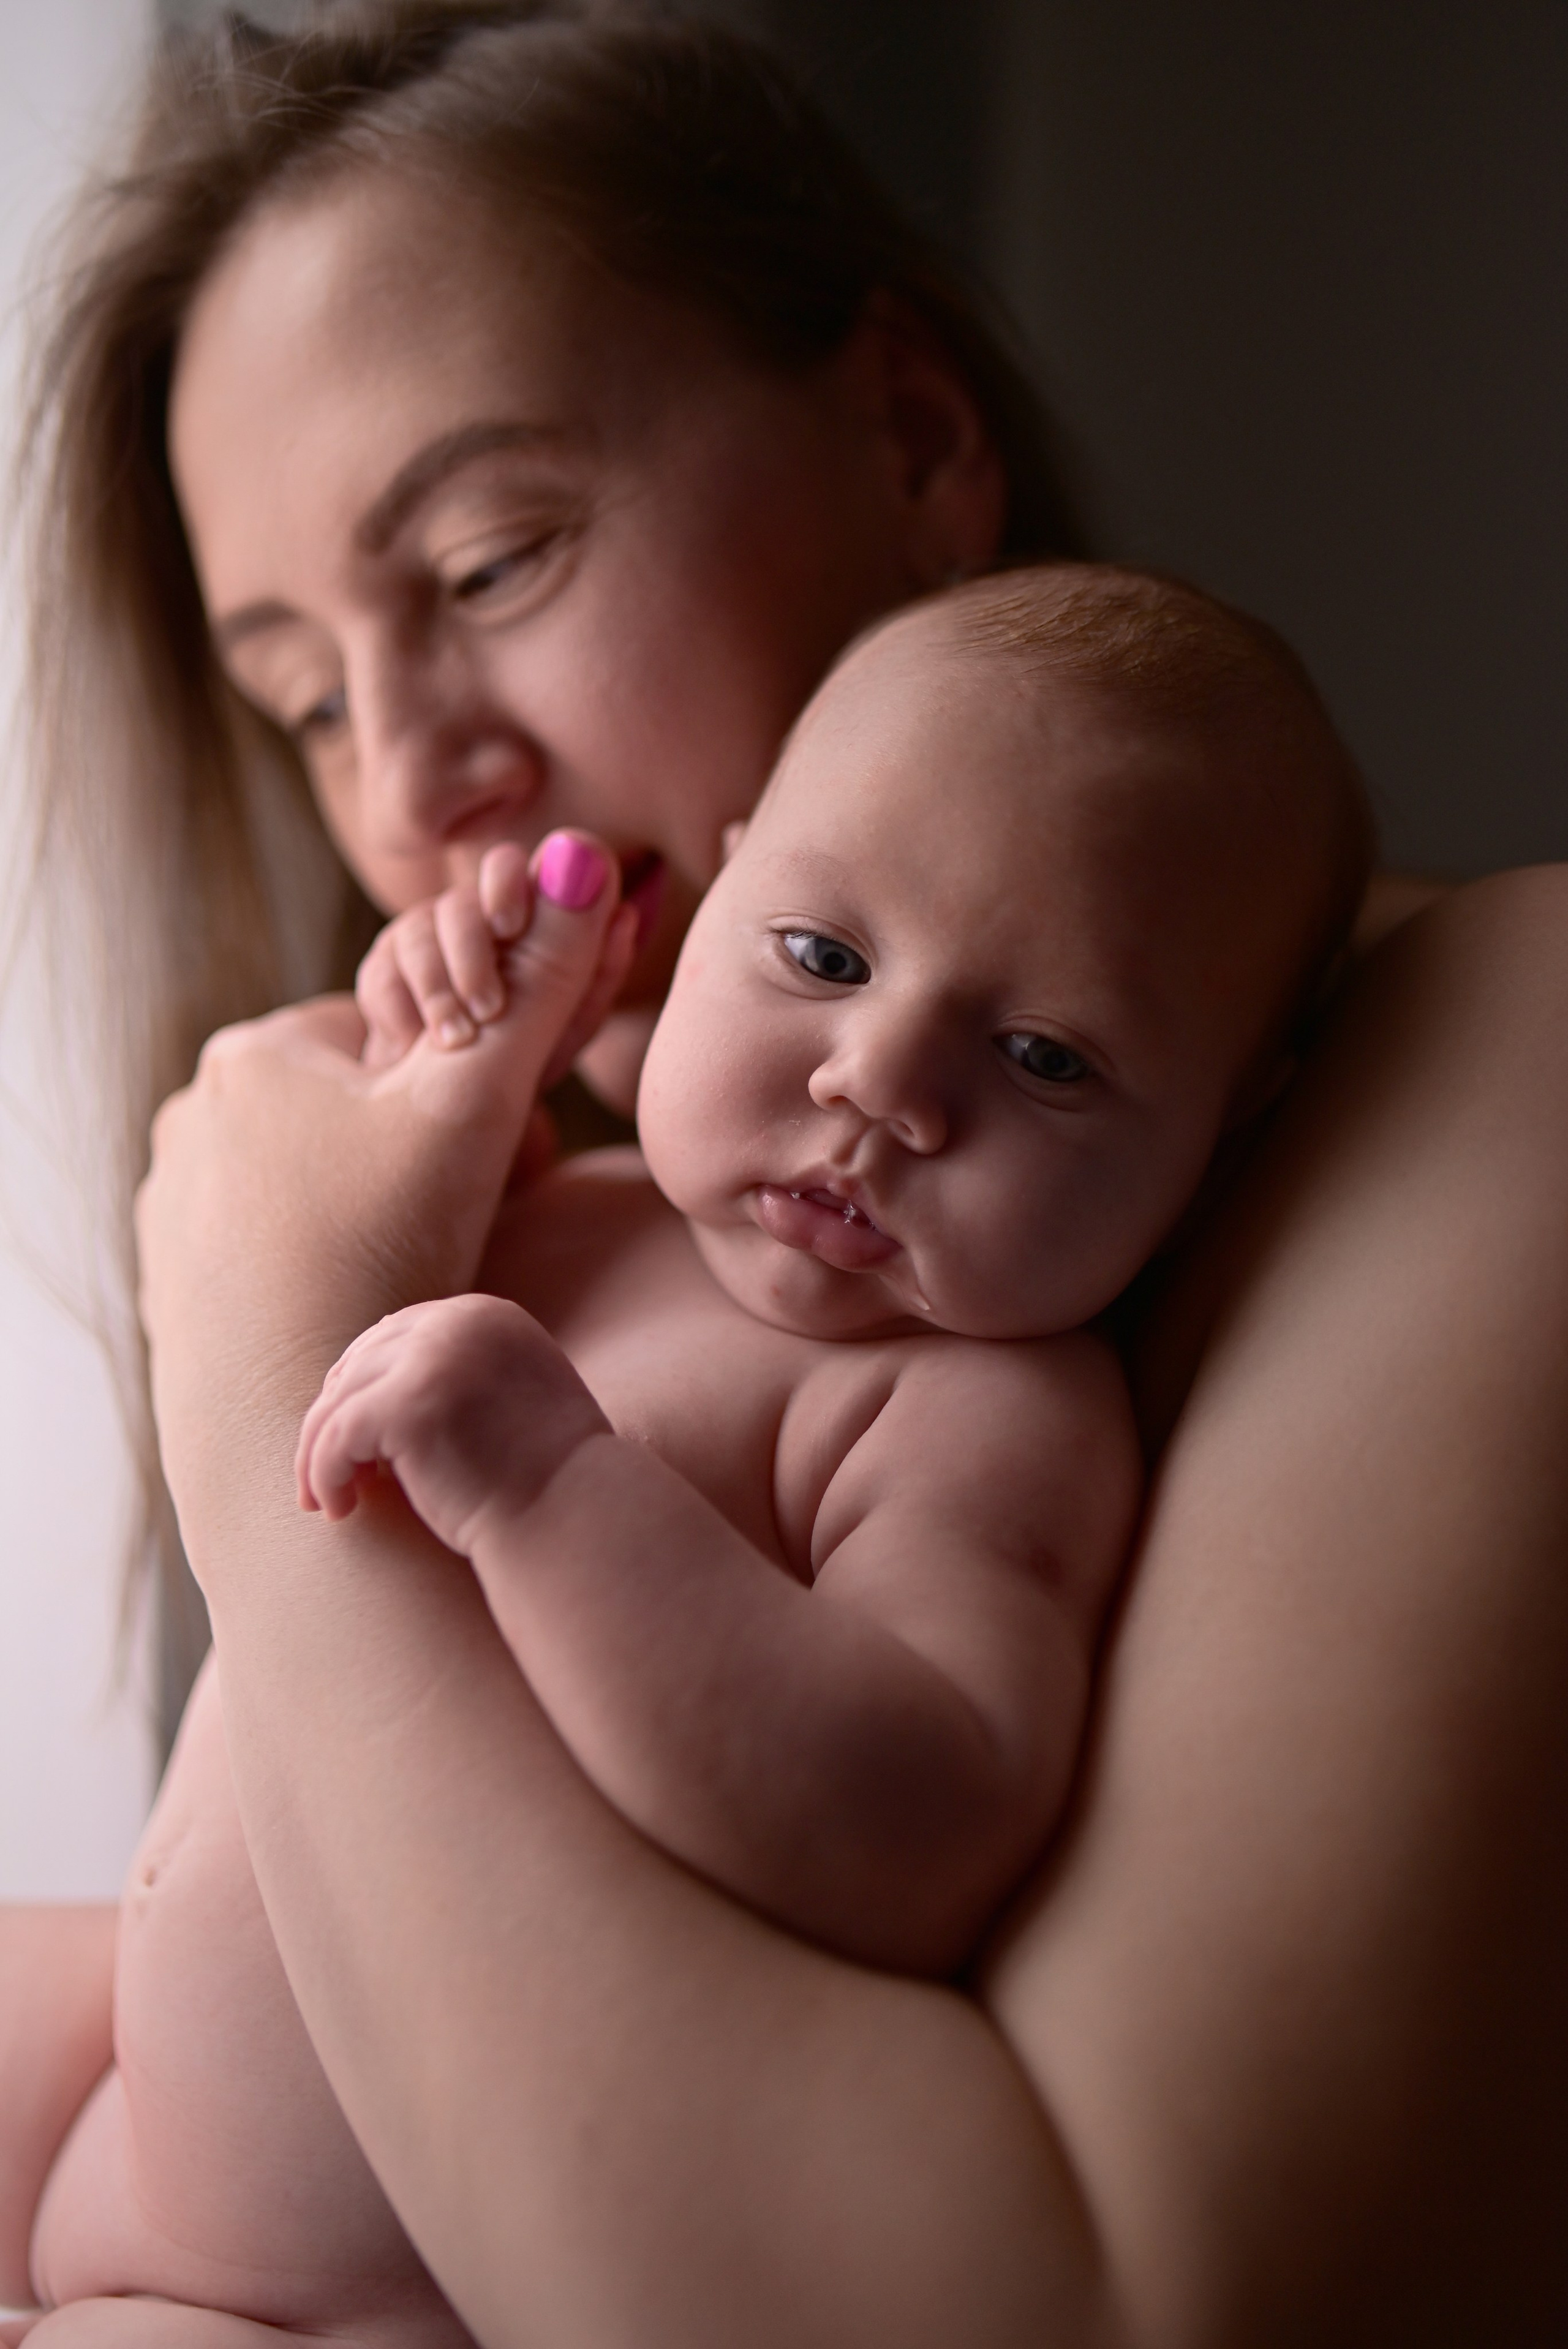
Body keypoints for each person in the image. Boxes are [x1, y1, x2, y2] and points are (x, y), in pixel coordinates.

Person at [7, 4, 1568, 2344]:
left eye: (493, 554)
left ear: (916, 434)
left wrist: (264, 1399)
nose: (411, 777)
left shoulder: (1493, 1043)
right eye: (305, 697)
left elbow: (1060, 2296)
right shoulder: (638, 1203)